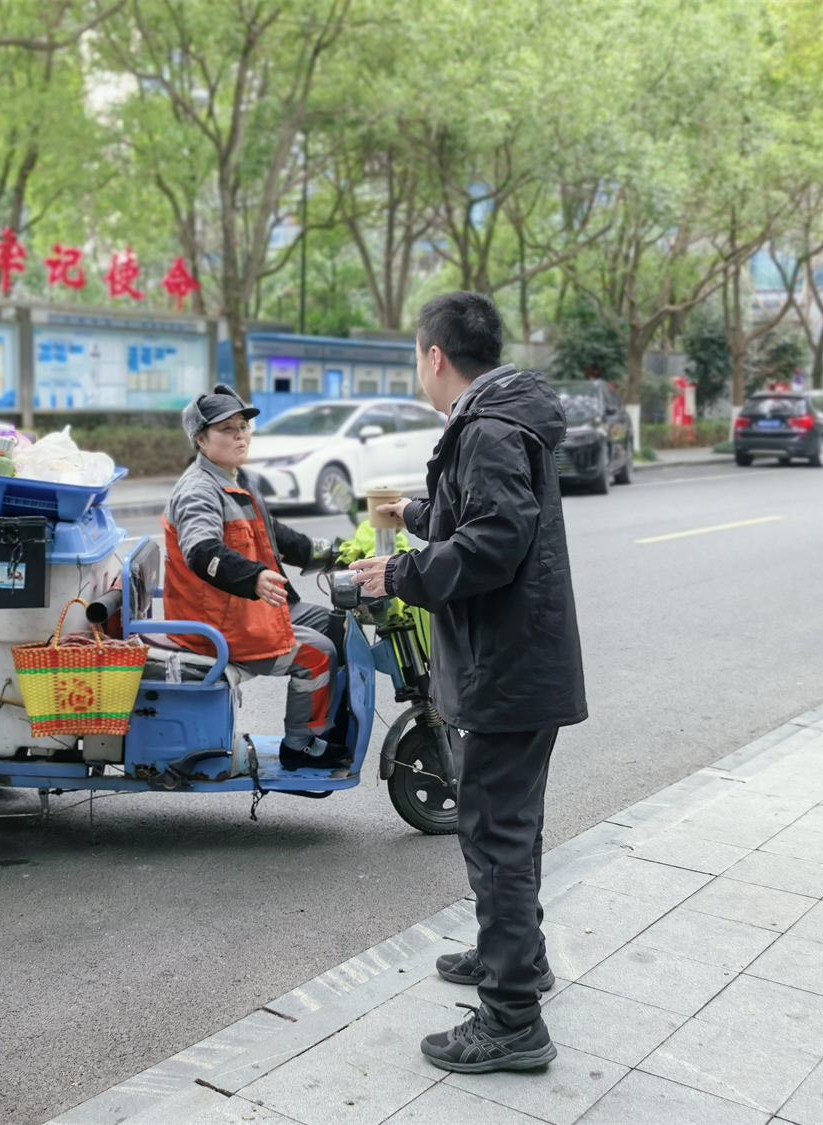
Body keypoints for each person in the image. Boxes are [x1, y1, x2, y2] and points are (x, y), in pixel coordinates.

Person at [350, 292, 585, 1072]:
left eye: (417, 357)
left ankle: (513, 1018)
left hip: (506, 669)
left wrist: (398, 572)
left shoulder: (485, 427)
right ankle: (514, 960)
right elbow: (473, 513)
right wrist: (412, 513)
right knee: (507, 829)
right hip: (516, 662)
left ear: (434, 356)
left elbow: (493, 541)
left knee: (496, 834)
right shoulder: (500, 417)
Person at [164, 384, 347, 770]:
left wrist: (338, 556)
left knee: (339, 629)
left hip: (251, 606)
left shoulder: (238, 480)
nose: (240, 435)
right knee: (318, 654)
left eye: (243, 426)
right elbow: (201, 552)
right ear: (200, 439)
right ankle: (299, 745)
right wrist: (254, 577)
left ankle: (327, 728)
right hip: (219, 621)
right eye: (226, 429)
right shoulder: (199, 490)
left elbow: (276, 536)